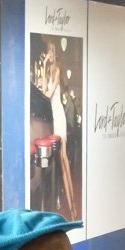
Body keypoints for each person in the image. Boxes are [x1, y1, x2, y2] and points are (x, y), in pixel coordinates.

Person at [41, 40, 77, 220]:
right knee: (62, 164)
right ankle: (72, 209)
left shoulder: (56, 70)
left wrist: (48, 65)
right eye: (49, 51)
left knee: (64, 163)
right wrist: (45, 66)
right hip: (53, 119)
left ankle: (73, 208)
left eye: (53, 51)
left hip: (59, 118)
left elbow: (47, 94)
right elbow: (42, 90)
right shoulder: (48, 71)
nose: (51, 54)